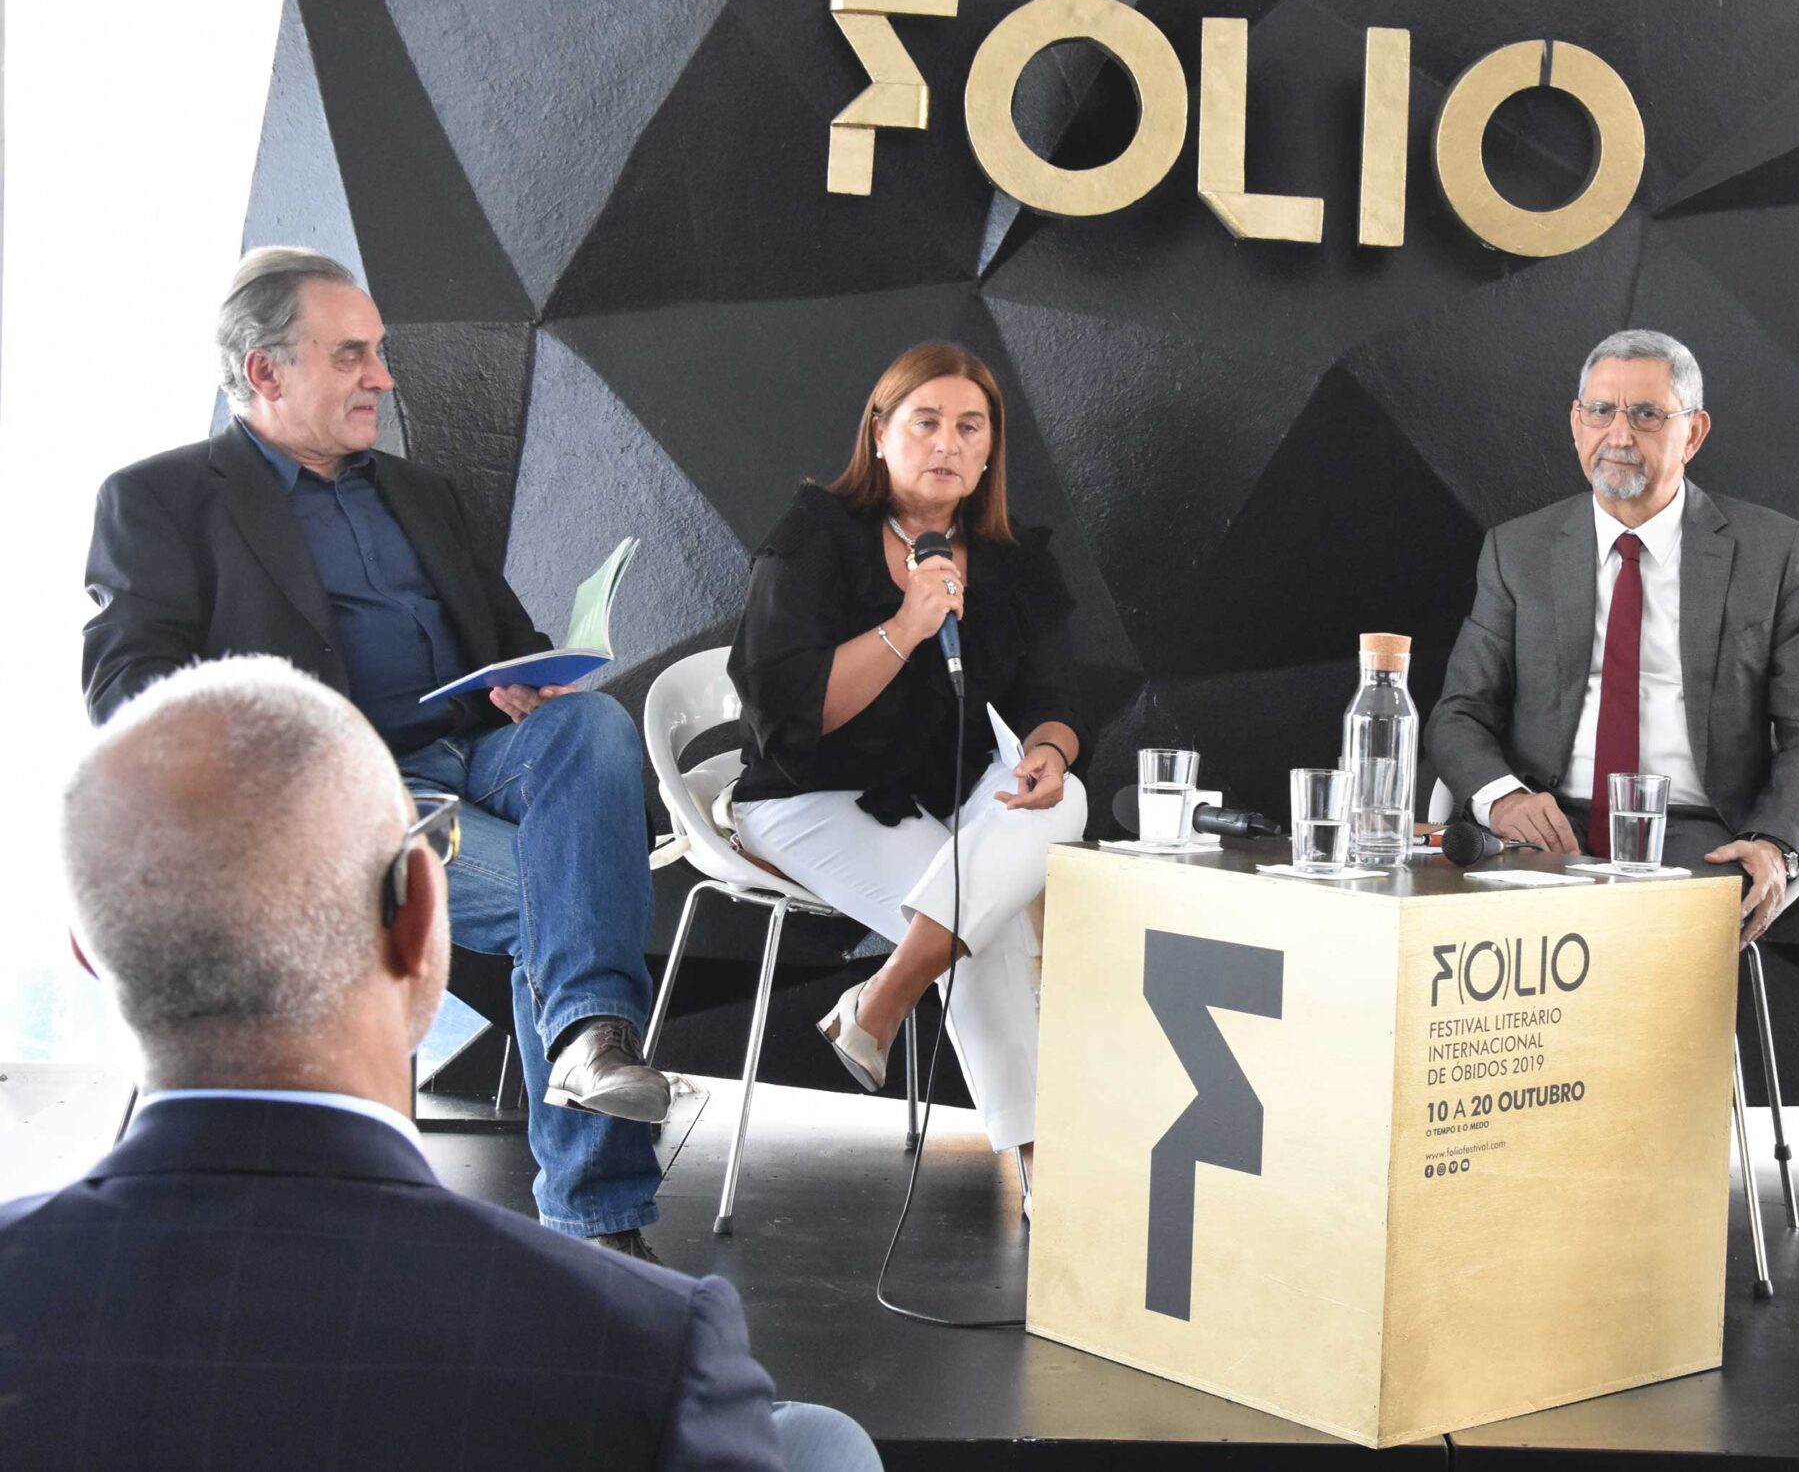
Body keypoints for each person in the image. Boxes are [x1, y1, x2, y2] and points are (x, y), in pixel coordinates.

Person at [0, 658, 878, 1472]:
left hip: (477, 748)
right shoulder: (648, 1348)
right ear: (424, 912)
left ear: (89, 951)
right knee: (820, 1443)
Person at [80, 247, 670, 1257]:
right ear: (264, 371)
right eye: (352, 355)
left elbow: (503, 631)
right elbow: (124, 688)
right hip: (340, 792)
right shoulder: (160, 498)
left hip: (480, 755)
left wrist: (527, 674)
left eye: (380, 353)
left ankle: (585, 1054)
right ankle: (599, 1212)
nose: (383, 379)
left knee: (593, 726)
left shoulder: (421, 492)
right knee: (566, 897)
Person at [728, 342, 1087, 1211]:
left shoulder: (1006, 558)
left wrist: (1049, 750)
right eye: (926, 422)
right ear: (879, 434)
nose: (948, 443)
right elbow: (789, 712)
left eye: (971, 427)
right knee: (979, 919)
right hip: (808, 794)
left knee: (1065, 799)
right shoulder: (814, 536)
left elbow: (1054, 700)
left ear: (991, 451)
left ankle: (882, 998)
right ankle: (1045, 1169)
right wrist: (906, 625)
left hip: (939, 796)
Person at [1425, 328, 1799, 944]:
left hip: (1700, 836)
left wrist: (1774, 843)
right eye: (1601, 411)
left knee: (1655, 975)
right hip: (1546, 828)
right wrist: (1505, 799)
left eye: (1647, 415)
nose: (1618, 436)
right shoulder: (1517, 551)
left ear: (1693, 433)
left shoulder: (1775, 553)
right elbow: (1458, 714)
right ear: (1577, 423)